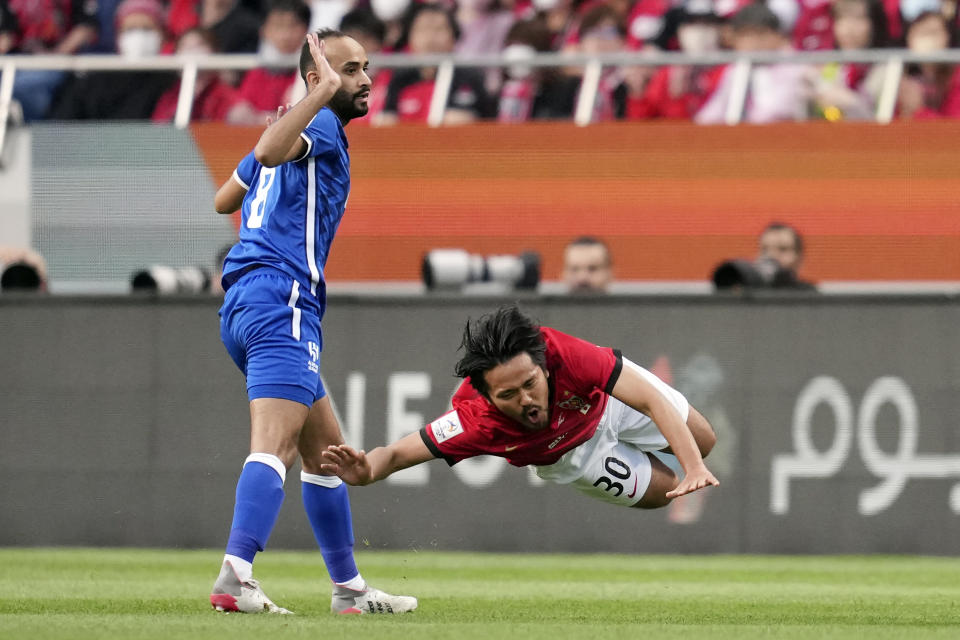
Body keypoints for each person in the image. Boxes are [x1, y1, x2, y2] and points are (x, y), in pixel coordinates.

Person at [208, 29, 416, 616]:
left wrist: (281, 134)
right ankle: (236, 573)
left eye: (365, 68)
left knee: (326, 451)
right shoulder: (318, 123)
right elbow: (274, 154)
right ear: (315, 78)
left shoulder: (289, 126)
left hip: (246, 302)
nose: (365, 79)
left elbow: (226, 199)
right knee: (274, 446)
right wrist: (320, 98)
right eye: (348, 70)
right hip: (283, 299)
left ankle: (349, 591)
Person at [320, 305, 719, 517]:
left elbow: (649, 399)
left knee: (703, 442)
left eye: (531, 384)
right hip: (572, 456)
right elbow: (398, 452)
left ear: (544, 367)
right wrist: (368, 471)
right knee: (664, 492)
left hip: (606, 403)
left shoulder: (569, 356)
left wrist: (696, 467)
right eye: (509, 394)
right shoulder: (474, 422)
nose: (526, 399)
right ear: (489, 398)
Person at [49, 0, 176, 120]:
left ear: (162, 34)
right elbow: (62, 127)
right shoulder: (94, 82)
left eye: (146, 29)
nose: (138, 36)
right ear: (119, 36)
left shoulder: (172, 82)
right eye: (130, 29)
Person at [695, 2, 811, 124]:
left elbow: (776, 111)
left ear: (777, 36)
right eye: (745, 36)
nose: (752, 43)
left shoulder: (793, 67)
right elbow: (715, 109)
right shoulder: (736, 70)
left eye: (759, 34)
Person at [226, 0, 312, 125]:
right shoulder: (257, 72)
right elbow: (240, 113)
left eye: (293, 25)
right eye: (278, 26)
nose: (285, 34)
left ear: (306, 28)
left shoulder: (314, 71)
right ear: (264, 30)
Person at [152, 28, 240, 123]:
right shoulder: (170, 96)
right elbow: (158, 128)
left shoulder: (226, 95)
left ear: (214, 51)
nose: (191, 50)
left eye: (199, 45)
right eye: (184, 46)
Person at [756, 221, 816, 290]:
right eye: (765, 249)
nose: (772, 256)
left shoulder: (810, 295)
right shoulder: (748, 292)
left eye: (783, 249)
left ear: (799, 257)